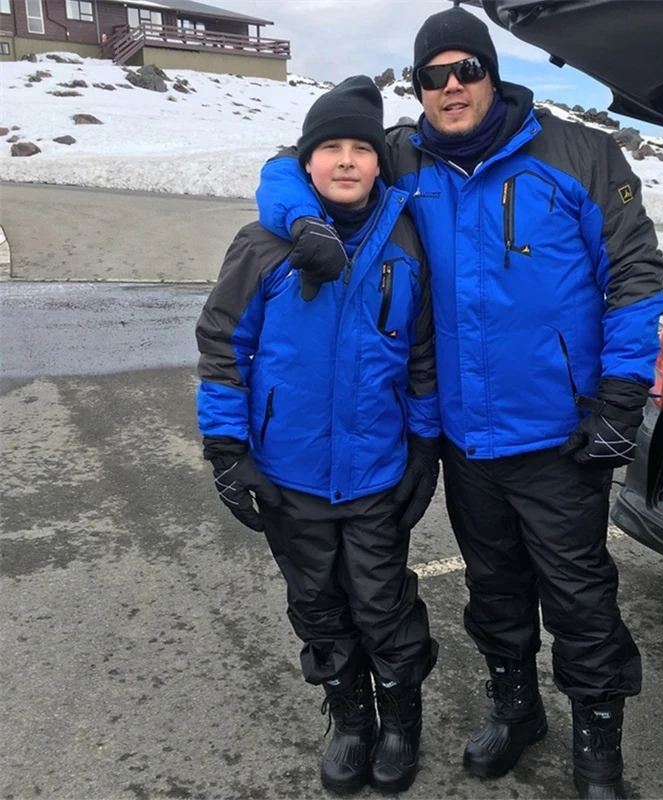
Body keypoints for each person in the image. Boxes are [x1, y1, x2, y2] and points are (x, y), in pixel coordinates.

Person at [254, 8, 663, 799]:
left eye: (466, 70)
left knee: (580, 597)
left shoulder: (578, 154)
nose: (451, 87)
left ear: (492, 75)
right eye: (432, 76)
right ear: (418, 88)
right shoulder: (402, 158)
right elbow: (290, 165)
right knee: (495, 588)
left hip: (562, 434)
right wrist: (303, 219)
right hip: (465, 439)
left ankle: (598, 752)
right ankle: (517, 710)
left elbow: (635, 276)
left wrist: (621, 395)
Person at [196, 75, 441, 795]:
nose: (346, 161)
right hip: (290, 472)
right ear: (306, 162)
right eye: (330, 148)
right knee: (317, 604)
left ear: (377, 163)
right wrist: (227, 448)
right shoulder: (264, 244)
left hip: (375, 473)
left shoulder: (405, 241)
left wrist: (424, 446)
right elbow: (224, 345)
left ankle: (400, 721)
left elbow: (422, 353)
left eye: (360, 149)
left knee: (383, 605)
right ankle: (353, 720)